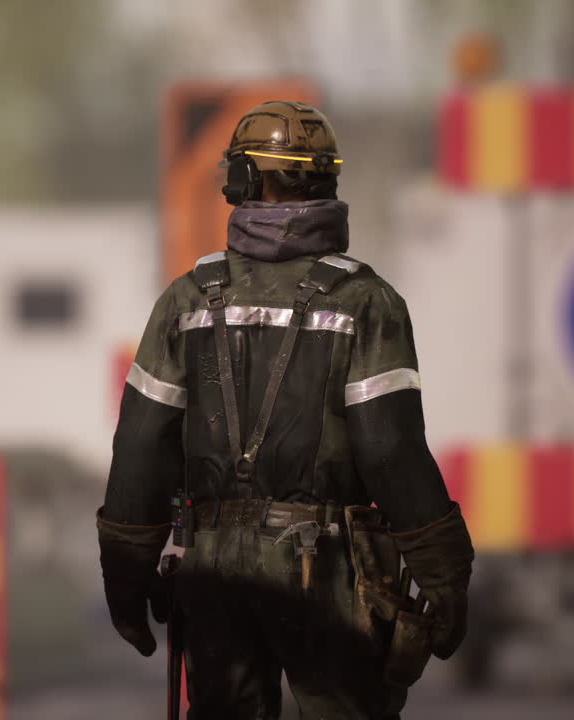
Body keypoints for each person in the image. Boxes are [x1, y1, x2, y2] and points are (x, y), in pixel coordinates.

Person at [97, 101, 475, 719]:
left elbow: (141, 445)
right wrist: (443, 570)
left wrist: (125, 570)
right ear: (328, 180)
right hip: (328, 571)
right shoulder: (365, 301)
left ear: (243, 181)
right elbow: (390, 450)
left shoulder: (187, 299)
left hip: (212, 567)